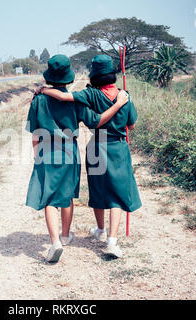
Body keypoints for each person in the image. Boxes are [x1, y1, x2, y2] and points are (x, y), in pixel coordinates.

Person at [26, 55, 128, 263]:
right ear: (68, 77)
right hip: (69, 150)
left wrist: (36, 154)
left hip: (46, 150)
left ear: (49, 76)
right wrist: (118, 105)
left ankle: (54, 242)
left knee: (49, 198)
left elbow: (35, 133)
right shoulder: (76, 100)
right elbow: (96, 120)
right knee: (67, 194)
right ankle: (65, 235)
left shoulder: (38, 100)